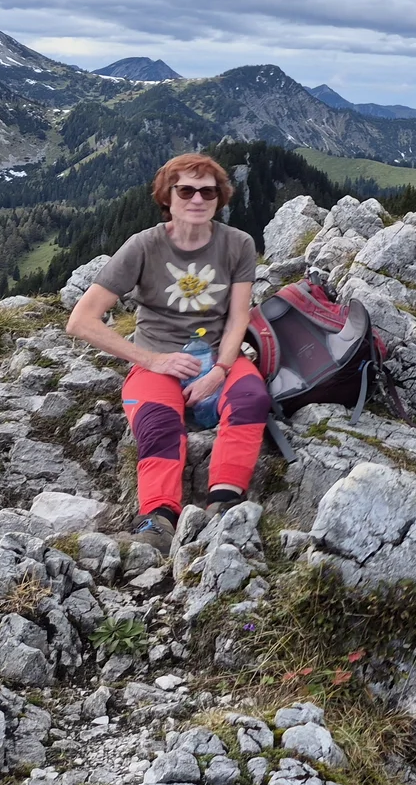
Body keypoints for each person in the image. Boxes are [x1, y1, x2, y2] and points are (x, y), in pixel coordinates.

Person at [66, 154, 267, 553]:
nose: (197, 198)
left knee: (252, 399)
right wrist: (152, 360)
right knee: (159, 423)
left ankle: (225, 502)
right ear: (167, 197)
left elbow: (238, 318)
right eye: (186, 190)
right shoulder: (143, 246)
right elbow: (81, 321)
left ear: (219, 198)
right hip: (155, 359)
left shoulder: (238, 244)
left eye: (207, 191)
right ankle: (158, 518)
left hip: (217, 355)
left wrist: (220, 370)